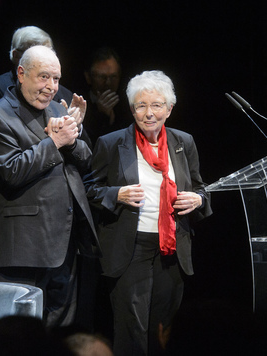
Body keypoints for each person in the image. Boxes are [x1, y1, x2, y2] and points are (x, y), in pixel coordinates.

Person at [84, 70, 212, 355]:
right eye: (141, 105)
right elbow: (87, 191)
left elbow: (201, 187)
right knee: (132, 329)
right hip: (131, 248)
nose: (149, 113)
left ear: (169, 108)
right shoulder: (112, 143)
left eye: (156, 105)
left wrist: (198, 200)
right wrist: (116, 193)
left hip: (172, 247)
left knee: (163, 329)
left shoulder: (183, 143)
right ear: (131, 109)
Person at [0, 45, 100, 329]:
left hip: (63, 240)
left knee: (60, 327)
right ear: (21, 74)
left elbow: (85, 160)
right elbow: (11, 171)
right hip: (22, 245)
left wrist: (71, 140)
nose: (51, 87)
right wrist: (55, 142)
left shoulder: (57, 107)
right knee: (18, 331)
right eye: (44, 77)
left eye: (56, 79)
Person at [0, 26, 74, 116]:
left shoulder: (65, 94)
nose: (45, 59)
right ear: (16, 55)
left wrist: (74, 126)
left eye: (48, 52)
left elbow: (81, 132)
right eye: (35, 54)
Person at [82, 47, 130, 144]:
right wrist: (101, 116)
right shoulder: (79, 104)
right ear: (88, 77)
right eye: (101, 77)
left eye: (113, 76)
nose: (108, 83)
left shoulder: (128, 104)